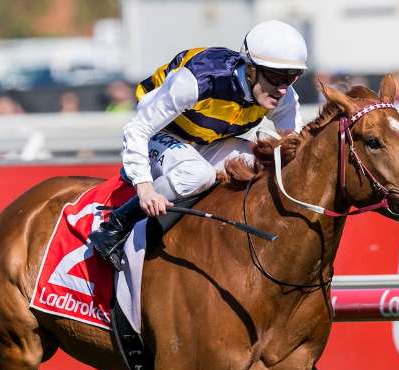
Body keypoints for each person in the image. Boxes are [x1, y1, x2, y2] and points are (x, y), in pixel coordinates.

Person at [89, 19, 308, 269]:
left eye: (292, 77)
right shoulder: (199, 79)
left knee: (265, 162)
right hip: (157, 133)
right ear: (250, 69)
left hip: (204, 142)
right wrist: (145, 188)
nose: (282, 89)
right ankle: (116, 225)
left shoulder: (282, 94)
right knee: (197, 174)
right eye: (276, 77)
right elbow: (137, 128)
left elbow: (294, 148)